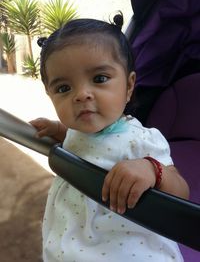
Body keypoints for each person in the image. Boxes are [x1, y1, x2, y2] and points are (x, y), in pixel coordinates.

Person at [30, 13, 189, 262]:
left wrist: (152, 170)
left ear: (128, 86)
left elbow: (181, 193)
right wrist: (57, 129)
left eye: (99, 79)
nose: (81, 95)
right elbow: (78, 140)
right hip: (69, 240)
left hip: (128, 250)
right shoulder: (77, 130)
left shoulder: (142, 139)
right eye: (63, 88)